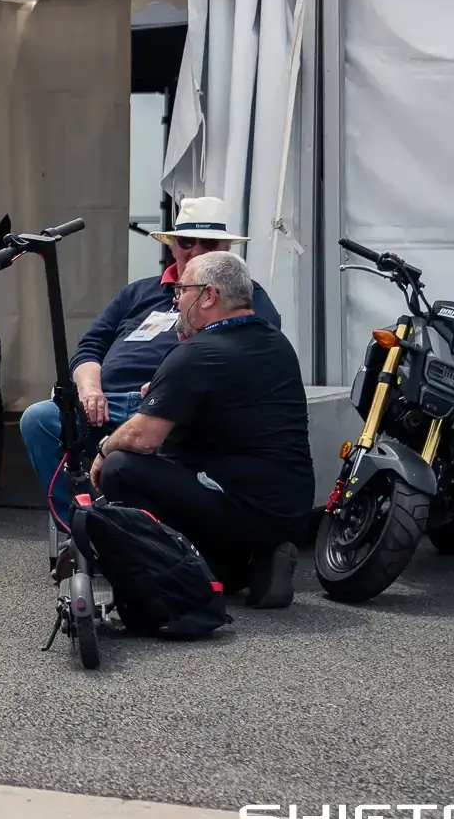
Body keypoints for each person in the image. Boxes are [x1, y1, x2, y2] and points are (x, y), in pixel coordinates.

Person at [18, 196, 279, 532]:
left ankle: (150, 536)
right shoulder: (138, 292)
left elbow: (254, 352)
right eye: (186, 241)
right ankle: (81, 528)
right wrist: (89, 388)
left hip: (172, 407)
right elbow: (89, 347)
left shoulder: (243, 295)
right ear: (172, 245)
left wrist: (172, 393)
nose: (196, 251)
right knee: (38, 419)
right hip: (106, 402)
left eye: (209, 243)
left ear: (226, 248)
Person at [89, 250, 312, 609]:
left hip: (235, 504)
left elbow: (142, 438)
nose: (176, 302)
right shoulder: (276, 344)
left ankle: (184, 571)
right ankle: (252, 560)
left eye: (181, 292)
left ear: (208, 296)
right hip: (287, 509)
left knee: (122, 467)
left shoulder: (197, 353)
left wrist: (102, 450)